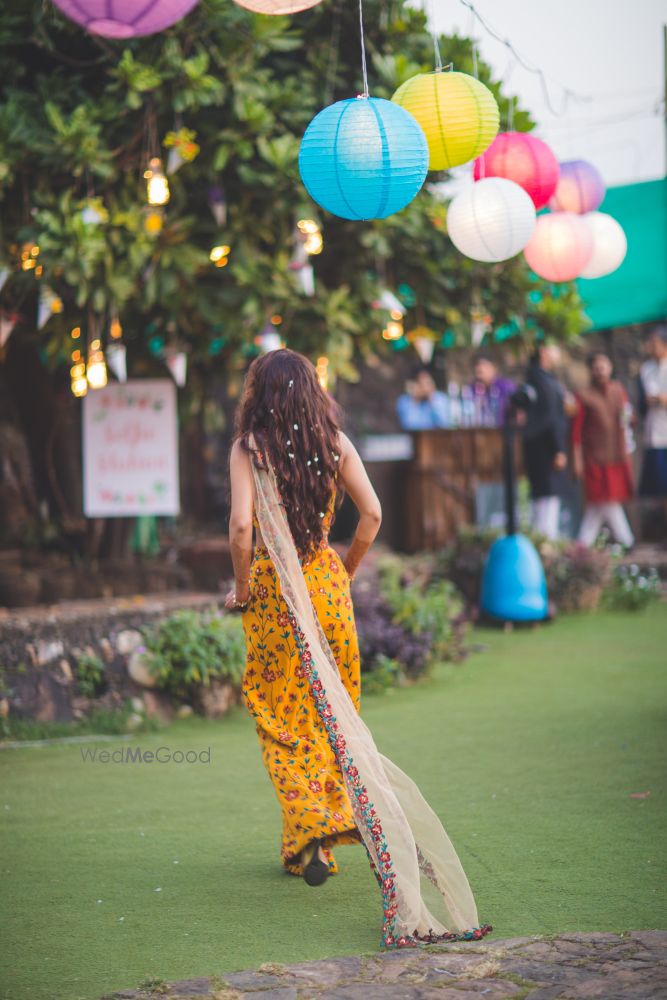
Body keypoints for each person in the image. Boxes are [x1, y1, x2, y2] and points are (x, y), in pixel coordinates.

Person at [226, 348, 491, 948]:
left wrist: (242, 591)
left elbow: (243, 529)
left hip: (274, 593)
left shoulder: (249, 448)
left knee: (282, 718)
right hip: (326, 586)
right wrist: (343, 568)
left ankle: (317, 826)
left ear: (258, 394)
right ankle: (309, 842)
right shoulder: (335, 442)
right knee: (333, 718)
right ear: (312, 392)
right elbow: (370, 514)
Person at [572, 351, 634, 548]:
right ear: (591, 370)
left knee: (602, 503)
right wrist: (577, 458)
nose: (600, 371)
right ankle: (626, 541)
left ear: (610, 367)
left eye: (603, 366)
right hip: (594, 458)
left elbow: (629, 418)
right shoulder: (583, 396)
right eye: (596, 367)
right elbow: (576, 431)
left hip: (616, 454)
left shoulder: (618, 390)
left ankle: (582, 545)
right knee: (602, 500)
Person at [521, 343, 568, 540]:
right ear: (543, 352)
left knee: (543, 497)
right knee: (547, 498)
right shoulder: (541, 380)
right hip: (545, 447)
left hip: (537, 445)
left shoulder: (539, 379)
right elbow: (551, 418)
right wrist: (558, 448)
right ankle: (546, 543)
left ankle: (543, 541)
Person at [638, 324, 667, 498]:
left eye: (655, 343)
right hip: (655, 433)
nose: (651, 347)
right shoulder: (645, 370)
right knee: (661, 487)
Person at [469, 352, 516, 427]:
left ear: (493, 367)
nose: (479, 368)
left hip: (502, 431)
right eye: (477, 365)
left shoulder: (505, 387)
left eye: (484, 365)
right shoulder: (472, 389)